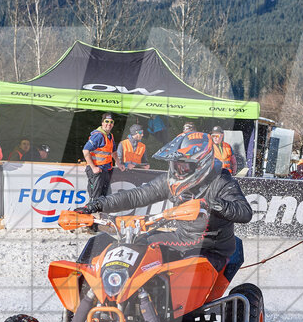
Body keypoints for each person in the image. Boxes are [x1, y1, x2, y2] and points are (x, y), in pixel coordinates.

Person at [73, 131, 252, 272]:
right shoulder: (172, 181)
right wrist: (94, 205)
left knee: (174, 272)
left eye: (183, 165)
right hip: (180, 239)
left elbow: (245, 212)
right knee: (126, 247)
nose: (177, 170)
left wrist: (212, 204)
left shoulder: (221, 181)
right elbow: (135, 196)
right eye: (175, 165)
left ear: (201, 163)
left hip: (209, 247)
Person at [82, 113, 116, 210]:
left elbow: (113, 152)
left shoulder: (110, 136)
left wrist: (118, 162)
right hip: (96, 171)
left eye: (111, 122)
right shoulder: (98, 136)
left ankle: (100, 221)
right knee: (95, 199)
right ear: (102, 123)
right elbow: (85, 150)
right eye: (106, 121)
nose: (109, 124)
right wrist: (93, 167)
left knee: (105, 197)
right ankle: (91, 223)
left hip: (105, 170)